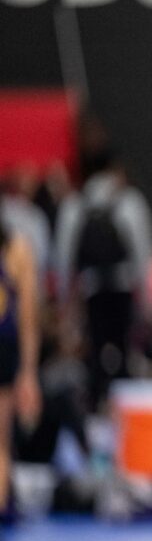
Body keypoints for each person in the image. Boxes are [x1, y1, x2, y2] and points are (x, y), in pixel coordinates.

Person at [53, 152, 152, 409]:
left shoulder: (75, 204)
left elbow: (63, 257)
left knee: (95, 353)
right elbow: (144, 253)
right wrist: (146, 296)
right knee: (122, 350)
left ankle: (96, 402)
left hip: (91, 288)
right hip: (122, 286)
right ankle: (123, 404)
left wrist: (64, 299)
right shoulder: (129, 201)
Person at [0, 199, 42, 518]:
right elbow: (28, 320)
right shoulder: (18, 249)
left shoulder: (17, 249)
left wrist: (28, 374)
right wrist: (28, 373)